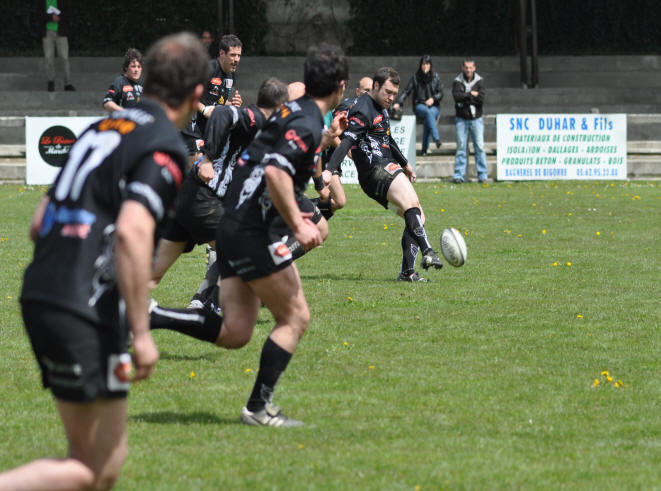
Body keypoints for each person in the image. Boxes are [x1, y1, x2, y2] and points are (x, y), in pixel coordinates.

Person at [0, 32, 208, 490]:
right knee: (93, 469)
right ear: (197, 95)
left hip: (42, 293)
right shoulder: (164, 145)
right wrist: (141, 332)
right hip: (83, 307)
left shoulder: (98, 129)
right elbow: (133, 233)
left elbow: (39, 222)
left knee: (100, 467)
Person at [150, 44, 349, 427]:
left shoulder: (293, 112)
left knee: (236, 331)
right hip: (254, 232)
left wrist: (325, 140)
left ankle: (154, 315)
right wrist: (300, 223)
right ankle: (258, 408)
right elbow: (275, 173)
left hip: (230, 224)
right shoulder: (304, 120)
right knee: (295, 319)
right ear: (341, 86)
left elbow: (272, 156)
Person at [150, 78, 290, 313]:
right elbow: (222, 113)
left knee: (154, 272)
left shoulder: (266, 129)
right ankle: (214, 305)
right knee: (248, 251)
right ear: (280, 106)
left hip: (190, 196)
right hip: (204, 198)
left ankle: (111, 304)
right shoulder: (255, 117)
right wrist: (207, 158)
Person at [326, 67, 444, 283]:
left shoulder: (381, 107)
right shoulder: (362, 109)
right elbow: (346, 141)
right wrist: (328, 169)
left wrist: (406, 163)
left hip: (376, 177)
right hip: (377, 170)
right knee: (412, 204)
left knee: (417, 217)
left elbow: (387, 139)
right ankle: (428, 251)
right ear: (375, 87)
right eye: (387, 92)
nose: (391, 97)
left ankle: (407, 273)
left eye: (394, 94)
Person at [181, 33, 243, 164]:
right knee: (198, 166)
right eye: (232, 55)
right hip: (192, 125)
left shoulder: (230, 76)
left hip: (208, 128)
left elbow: (217, 100)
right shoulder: (208, 69)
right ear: (222, 53)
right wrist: (203, 110)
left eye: (238, 55)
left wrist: (231, 103)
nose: (236, 59)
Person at [393, 54, 443, 156]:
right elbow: (406, 91)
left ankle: (424, 150)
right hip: (419, 105)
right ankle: (436, 138)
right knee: (428, 113)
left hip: (434, 106)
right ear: (421, 65)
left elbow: (441, 93)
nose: (425, 66)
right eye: (423, 64)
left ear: (430, 65)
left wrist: (433, 99)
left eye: (427, 64)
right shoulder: (416, 77)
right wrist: (398, 102)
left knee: (429, 118)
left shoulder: (436, 77)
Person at [452, 58, 487, 183]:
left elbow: (481, 99)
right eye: (466, 67)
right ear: (463, 68)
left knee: (480, 147)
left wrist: (465, 96)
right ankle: (458, 176)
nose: (468, 70)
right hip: (461, 119)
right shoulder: (457, 81)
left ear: (474, 68)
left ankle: (482, 176)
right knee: (461, 148)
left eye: (470, 67)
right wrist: (472, 94)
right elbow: (457, 97)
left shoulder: (480, 81)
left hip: (476, 119)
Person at [37, 0, 75, 92]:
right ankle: (51, 81)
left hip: (61, 32)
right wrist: (50, 17)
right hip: (47, 33)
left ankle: (67, 83)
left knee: (64, 58)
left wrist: (59, 17)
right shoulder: (42, 2)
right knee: (49, 58)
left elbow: (67, 14)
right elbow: (39, 15)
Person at [103, 48, 143, 112]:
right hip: (123, 121)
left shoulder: (142, 84)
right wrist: (124, 113)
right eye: (133, 66)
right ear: (126, 67)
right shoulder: (119, 82)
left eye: (139, 67)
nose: (136, 70)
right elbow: (107, 103)